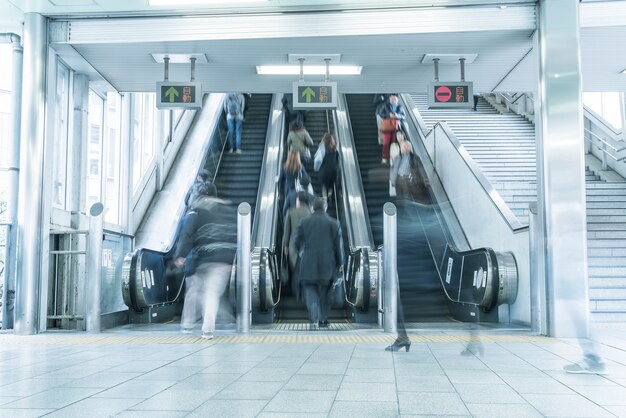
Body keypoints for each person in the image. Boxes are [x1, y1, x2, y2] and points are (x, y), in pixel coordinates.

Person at [173, 184, 237, 339]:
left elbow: (187, 235)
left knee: (197, 291)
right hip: (222, 260)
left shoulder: (196, 211)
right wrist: (233, 259)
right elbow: (234, 235)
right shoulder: (228, 211)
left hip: (203, 258)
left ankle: (188, 324)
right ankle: (209, 328)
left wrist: (180, 255)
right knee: (212, 294)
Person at [294, 197, 344, 330]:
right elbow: (337, 247)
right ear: (325, 207)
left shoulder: (304, 222)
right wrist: (340, 263)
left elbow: (296, 243)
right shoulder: (334, 223)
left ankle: (314, 317)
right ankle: (323, 319)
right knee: (326, 294)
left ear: (312, 208)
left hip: (308, 263)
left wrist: (301, 253)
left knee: (310, 291)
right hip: (328, 264)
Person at [282, 191, 312, 298]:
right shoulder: (310, 213)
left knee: (295, 271)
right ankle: (305, 294)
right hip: (307, 247)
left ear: (299, 200)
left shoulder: (291, 212)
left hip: (293, 246)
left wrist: (285, 247)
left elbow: (286, 232)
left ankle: (296, 294)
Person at [377, 94, 406, 165]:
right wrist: (388, 116)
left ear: (397, 100)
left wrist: (397, 116)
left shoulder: (400, 107)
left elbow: (404, 116)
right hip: (387, 126)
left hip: (396, 127)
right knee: (386, 142)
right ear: (390, 99)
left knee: (394, 143)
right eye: (392, 99)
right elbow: (380, 114)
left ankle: (393, 158)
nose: (393, 100)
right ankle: (384, 157)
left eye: (395, 99)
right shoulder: (385, 105)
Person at [279, 150, 309, 215]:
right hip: (299, 190)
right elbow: (306, 177)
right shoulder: (300, 167)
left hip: (289, 191)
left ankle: (288, 220)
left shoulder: (285, 167)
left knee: (287, 207)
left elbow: (280, 179)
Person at [318, 133, 339, 201]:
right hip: (333, 170)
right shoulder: (335, 149)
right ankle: (330, 194)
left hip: (324, 169)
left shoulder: (322, 149)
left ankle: (325, 197)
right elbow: (337, 160)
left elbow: (319, 159)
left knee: (323, 183)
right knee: (331, 183)